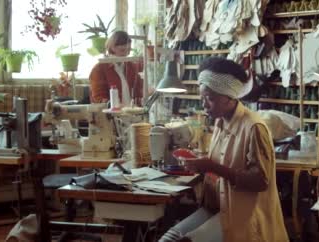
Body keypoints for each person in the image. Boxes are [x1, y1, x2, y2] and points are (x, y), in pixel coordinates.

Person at [159, 57, 289, 242]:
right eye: (202, 98)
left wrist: (212, 166)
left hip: (244, 214)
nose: (204, 105)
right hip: (218, 206)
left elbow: (261, 180)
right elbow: (221, 164)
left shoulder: (254, 127)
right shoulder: (220, 122)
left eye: (210, 99)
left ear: (229, 98)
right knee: (167, 239)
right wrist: (200, 162)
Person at [89, 30, 143, 105]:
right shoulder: (99, 69)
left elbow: (138, 91)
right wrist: (114, 106)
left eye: (128, 50)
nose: (126, 54)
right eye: (122, 50)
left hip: (131, 112)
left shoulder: (131, 66)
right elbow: (98, 98)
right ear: (112, 47)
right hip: (110, 114)